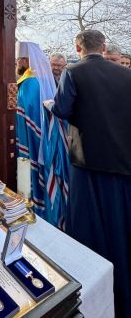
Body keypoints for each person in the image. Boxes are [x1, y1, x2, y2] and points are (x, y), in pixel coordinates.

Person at [47, 30, 131, 317]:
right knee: (120, 226)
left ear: (77, 47)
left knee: (88, 228)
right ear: (104, 47)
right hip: (122, 162)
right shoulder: (126, 74)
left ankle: (90, 292)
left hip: (87, 161)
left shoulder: (73, 72)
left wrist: (53, 106)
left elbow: (62, 109)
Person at [15, 42, 56, 212]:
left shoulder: (28, 82)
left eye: (19, 60)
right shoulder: (44, 78)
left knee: (27, 163)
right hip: (44, 132)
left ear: (26, 61)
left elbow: (23, 110)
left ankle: (30, 200)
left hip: (30, 133)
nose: (17, 63)